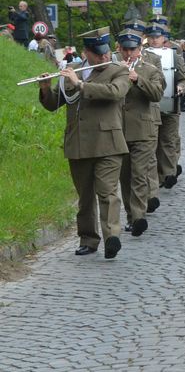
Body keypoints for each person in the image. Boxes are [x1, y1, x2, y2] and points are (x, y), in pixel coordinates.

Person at [37, 27, 130, 258]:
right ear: (85, 52)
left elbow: (114, 93)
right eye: (98, 53)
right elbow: (55, 104)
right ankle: (88, 239)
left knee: (108, 192)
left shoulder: (118, 71)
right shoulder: (74, 71)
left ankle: (112, 237)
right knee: (85, 197)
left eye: (106, 52)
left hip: (108, 142)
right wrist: (46, 90)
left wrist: (80, 84)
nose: (104, 57)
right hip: (78, 143)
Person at [115, 29, 164, 237]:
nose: (128, 54)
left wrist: (137, 79)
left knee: (139, 173)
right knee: (124, 176)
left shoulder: (150, 69)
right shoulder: (112, 68)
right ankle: (130, 215)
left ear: (139, 49)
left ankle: (138, 217)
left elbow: (157, 94)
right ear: (118, 49)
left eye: (132, 50)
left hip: (143, 130)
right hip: (118, 129)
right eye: (124, 50)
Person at [144, 21, 185, 190]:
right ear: (147, 39)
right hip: (150, 107)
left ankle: (168, 174)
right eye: (151, 37)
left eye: (158, 37)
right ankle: (156, 177)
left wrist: (181, 86)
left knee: (168, 141)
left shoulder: (174, 56)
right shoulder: (142, 56)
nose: (155, 40)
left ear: (164, 38)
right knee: (152, 143)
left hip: (171, 104)